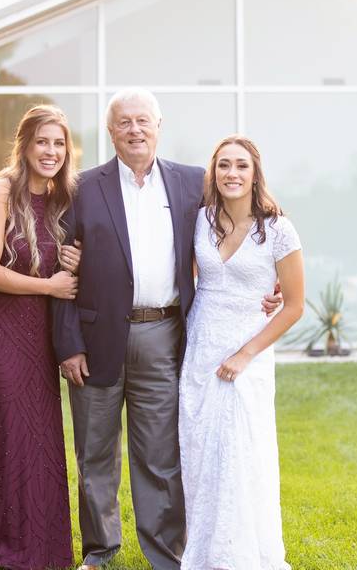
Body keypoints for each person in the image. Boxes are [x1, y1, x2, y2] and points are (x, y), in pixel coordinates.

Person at [52, 89, 280, 570]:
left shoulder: (191, 183)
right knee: (95, 455)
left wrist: (270, 284)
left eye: (143, 121)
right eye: (123, 122)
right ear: (110, 131)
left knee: (158, 455)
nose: (134, 130)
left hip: (164, 336)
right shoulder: (83, 187)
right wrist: (68, 343)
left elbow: (239, 227)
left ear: (159, 125)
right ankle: (98, 550)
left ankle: (165, 554)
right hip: (94, 341)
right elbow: (62, 271)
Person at [0, 104, 81, 569]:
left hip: (41, 336)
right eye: (42, 142)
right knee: (6, 431)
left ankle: (38, 542)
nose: (51, 151)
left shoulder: (67, 200)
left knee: (39, 436)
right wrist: (50, 285)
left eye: (58, 143)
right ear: (23, 146)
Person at [178, 135, 304, 570]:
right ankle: (204, 553)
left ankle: (244, 555)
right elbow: (188, 277)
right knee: (200, 451)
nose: (232, 174)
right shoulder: (199, 222)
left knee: (242, 451)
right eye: (224, 166)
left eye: (241, 167)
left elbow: (294, 305)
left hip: (248, 354)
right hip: (201, 348)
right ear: (214, 173)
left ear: (255, 175)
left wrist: (246, 354)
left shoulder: (278, 229)